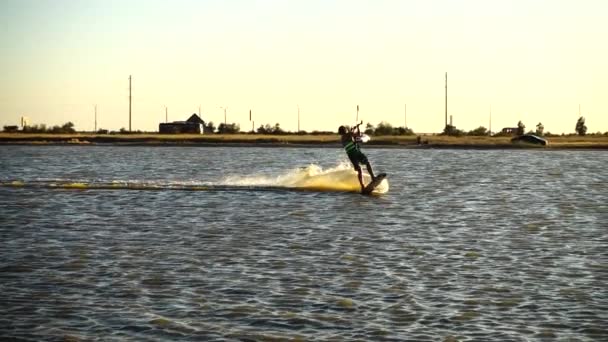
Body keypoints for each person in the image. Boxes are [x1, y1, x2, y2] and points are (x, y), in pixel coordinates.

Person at [339, 123, 377, 193]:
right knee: (363, 166)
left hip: (353, 154)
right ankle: (366, 182)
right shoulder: (345, 136)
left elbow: (357, 135)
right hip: (354, 153)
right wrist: (355, 128)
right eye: (344, 130)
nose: (345, 131)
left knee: (363, 166)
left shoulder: (346, 136)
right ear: (343, 131)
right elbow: (354, 134)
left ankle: (367, 181)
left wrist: (356, 128)